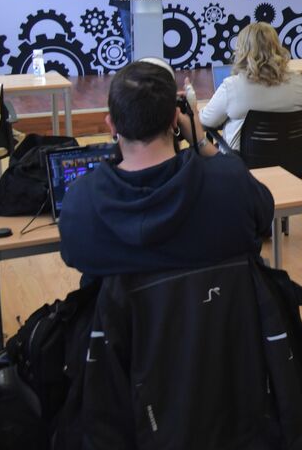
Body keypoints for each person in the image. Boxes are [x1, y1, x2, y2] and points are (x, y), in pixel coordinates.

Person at [58, 60, 274, 283]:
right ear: (174, 119)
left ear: (112, 125)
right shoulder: (230, 182)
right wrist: (201, 141)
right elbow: (265, 216)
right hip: (218, 315)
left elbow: (72, 255)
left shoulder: (82, 201)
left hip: (121, 318)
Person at [199, 22, 302, 151]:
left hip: (242, 167)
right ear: (277, 48)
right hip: (292, 165)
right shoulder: (296, 81)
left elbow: (206, 121)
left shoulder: (231, 87)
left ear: (241, 51)